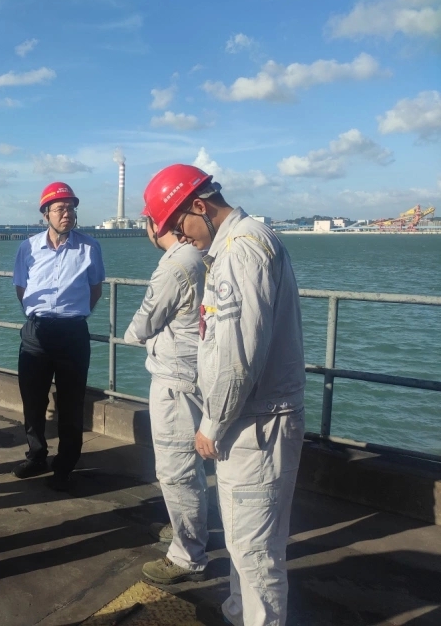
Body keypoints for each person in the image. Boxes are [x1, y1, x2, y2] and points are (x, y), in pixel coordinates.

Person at [145, 164, 305, 626]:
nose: (181, 238)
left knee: (255, 552)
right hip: (255, 417)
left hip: (257, 422)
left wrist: (211, 425)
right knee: (243, 539)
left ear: (200, 205)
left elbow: (238, 356)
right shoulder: (243, 243)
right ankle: (238, 612)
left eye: (180, 226)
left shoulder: (240, 251)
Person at [124, 219, 209, 585]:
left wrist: (132, 335)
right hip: (198, 373)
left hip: (176, 379)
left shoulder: (176, 264)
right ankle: (186, 530)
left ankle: (187, 555)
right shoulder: (204, 255)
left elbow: (142, 326)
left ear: (153, 224)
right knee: (192, 467)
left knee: (177, 470)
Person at [12, 182, 105, 492]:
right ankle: (36, 455)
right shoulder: (27, 248)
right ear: (46, 214)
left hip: (73, 333)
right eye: (61, 209)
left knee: (71, 403)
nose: (68, 214)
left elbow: (95, 290)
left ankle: (65, 466)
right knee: (32, 401)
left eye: (71, 208)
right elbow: (21, 288)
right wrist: (37, 314)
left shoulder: (90, 247)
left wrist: (73, 315)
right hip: (36, 332)